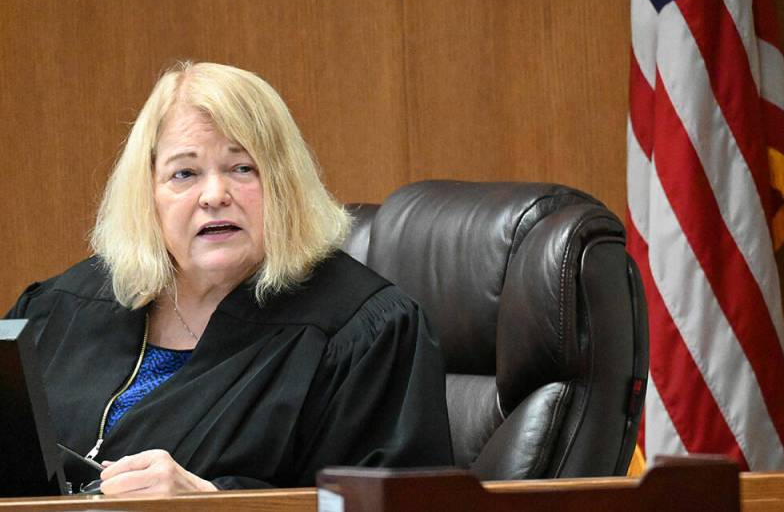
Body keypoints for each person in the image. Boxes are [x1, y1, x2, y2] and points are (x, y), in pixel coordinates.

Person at [4, 62, 453, 494]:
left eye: (242, 168)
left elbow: (387, 506)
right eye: (185, 173)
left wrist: (210, 500)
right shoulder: (59, 309)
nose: (215, 195)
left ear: (285, 184)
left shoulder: (366, 332)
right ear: (149, 194)